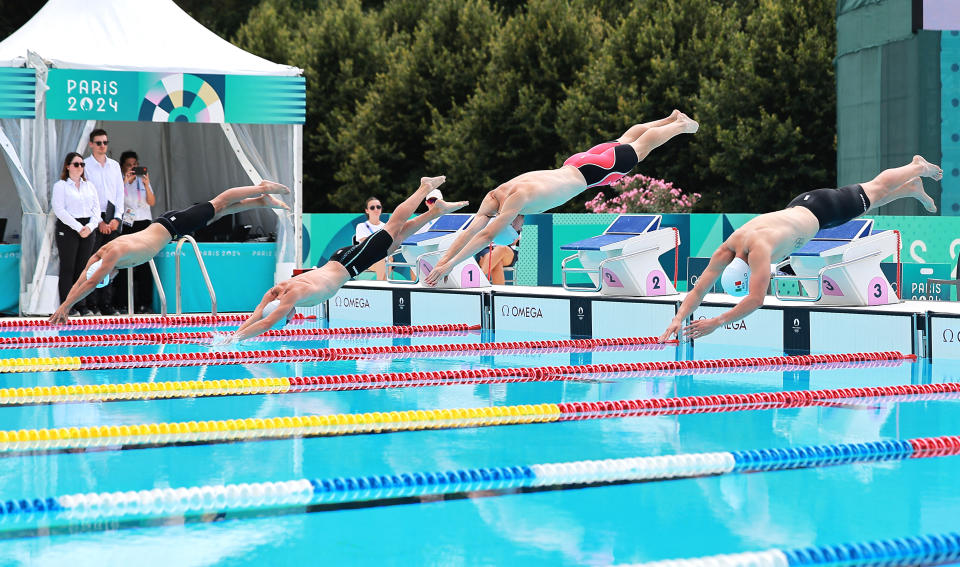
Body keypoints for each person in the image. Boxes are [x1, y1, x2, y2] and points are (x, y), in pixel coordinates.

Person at [659, 156, 943, 342]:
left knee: (875, 187)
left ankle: (917, 167)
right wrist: (677, 318)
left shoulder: (759, 251)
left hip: (822, 209)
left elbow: (756, 300)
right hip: (805, 210)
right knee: (870, 201)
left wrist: (716, 322)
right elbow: (698, 290)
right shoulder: (728, 248)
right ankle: (911, 189)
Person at [424, 110, 699, 286]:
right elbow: (471, 228)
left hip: (591, 173)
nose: (521, 226)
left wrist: (451, 264)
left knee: (641, 146)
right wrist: (442, 262)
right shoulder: (495, 196)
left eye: (517, 228)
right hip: (576, 163)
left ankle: (680, 126)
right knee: (625, 138)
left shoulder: (515, 202)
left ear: (508, 224)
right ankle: (669, 118)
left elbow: (483, 237)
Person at [232, 176, 466, 341]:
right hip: (343, 261)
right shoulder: (276, 290)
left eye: (286, 316)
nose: (290, 318)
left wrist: (236, 341)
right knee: (397, 238)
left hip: (350, 263)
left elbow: (265, 322)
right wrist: (233, 335)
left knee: (394, 227)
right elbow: (256, 315)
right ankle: (435, 211)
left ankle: (424, 188)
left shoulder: (290, 296)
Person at [48, 180, 291, 324]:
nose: (108, 277)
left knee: (218, 203)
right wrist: (66, 303)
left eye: (105, 277)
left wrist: (66, 307)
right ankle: (261, 201)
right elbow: (84, 277)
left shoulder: (110, 256)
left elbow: (89, 282)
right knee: (218, 213)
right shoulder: (102, 252)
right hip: (166, 225)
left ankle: (261, 188)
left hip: (172, 225)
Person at [51, 152, 100, 315]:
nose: (80, 167)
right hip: (69, 227)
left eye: (82, 164)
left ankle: (82, 304)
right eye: (76, 164)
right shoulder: (61, 185)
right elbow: (59, 209)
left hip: (88, 228)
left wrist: (91, 226)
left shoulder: (89, 186)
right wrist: (79, 227)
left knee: (84, 268)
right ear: (68, 166)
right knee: (68, 268)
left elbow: (96, 209)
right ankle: (67, 305)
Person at [84, 129, 125, 315]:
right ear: (91, 144)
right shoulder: (84, 165)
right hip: (94, 217)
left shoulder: (114, 166)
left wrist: (117, 218)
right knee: (93, 263)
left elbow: (119, 193)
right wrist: (98, 221)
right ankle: (91, 303)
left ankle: (106, 303)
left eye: (105, 143)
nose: (102, 146)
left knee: (111, 263)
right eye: (98, 143)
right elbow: (87, 196)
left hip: (113, 216)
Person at [118, 150, 157, 313]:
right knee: (125, 262)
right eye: (129, 165)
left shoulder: (143, 181)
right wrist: (125, 181)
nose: (133, 168)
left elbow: (152, 201)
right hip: (128, 223)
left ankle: (144, 303)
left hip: (144, 222)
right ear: (123, 167)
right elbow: (117, 200)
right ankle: (122, 302)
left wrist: (147, 184)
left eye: (135, 165)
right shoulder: (120, 182)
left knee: (145, 264)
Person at [355, 196, 386, 280]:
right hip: (365, 259)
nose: (376, 209)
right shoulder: (361, 226)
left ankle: (382, 286)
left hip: (383, 257)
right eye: (372, 207)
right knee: (384, 260)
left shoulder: (385, 226)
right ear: (367, 210)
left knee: (386, 259)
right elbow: (366, 244)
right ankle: (382, 287)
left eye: (378, 207)